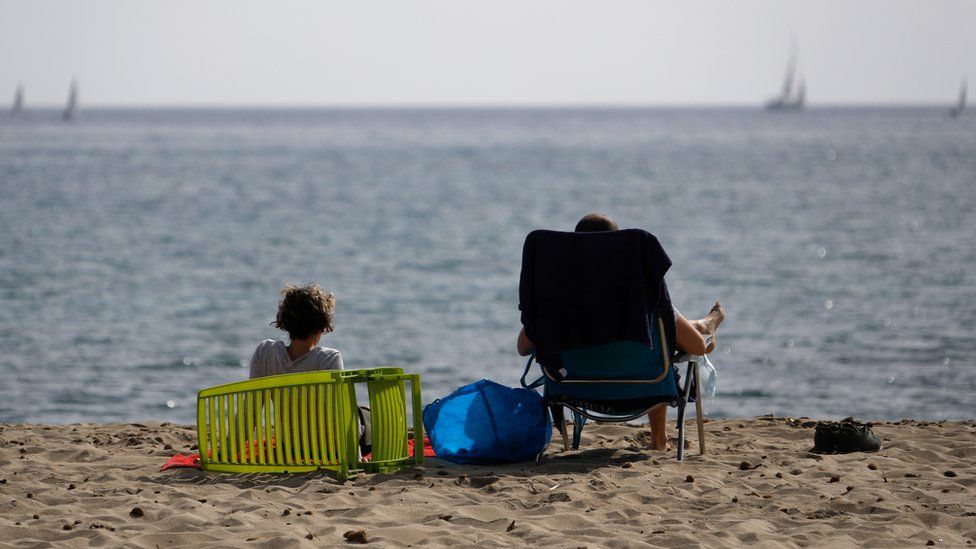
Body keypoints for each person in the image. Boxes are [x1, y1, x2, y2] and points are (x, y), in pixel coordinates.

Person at [516, 213, 725, 451]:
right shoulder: (643, 300)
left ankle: (702, 323)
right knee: (662, 341)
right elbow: (698, 348)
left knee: (662, 331)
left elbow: (523, 348)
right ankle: (660, 439)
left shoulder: (554, 305)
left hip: (574, 390)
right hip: (644, 390)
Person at [250, 283, 343, 379]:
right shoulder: (328, 360)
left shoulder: (264, 352)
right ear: (322, 326)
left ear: (285, 322)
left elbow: (252, 393)